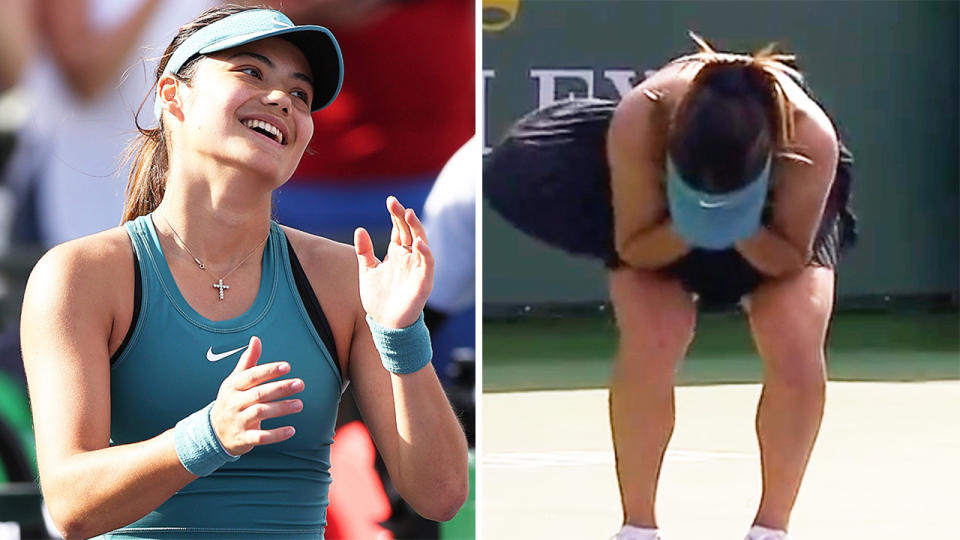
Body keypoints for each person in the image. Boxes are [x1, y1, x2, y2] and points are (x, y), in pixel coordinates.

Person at [20, 6, 468, 539]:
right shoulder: (78, 275)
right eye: (251, 72)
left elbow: (440, 496)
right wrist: (209, 435)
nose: (282, 98)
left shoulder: (345, 279)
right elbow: (71, 506)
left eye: (301, 95)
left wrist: (403, 335)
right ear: (172, 97)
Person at [484, 33, 856, 540]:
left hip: (777, 232)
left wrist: (739, 226)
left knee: (794, 344)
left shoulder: (812, 139)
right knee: (654, 338)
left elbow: (789, 254)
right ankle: (638, 528)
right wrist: (688, 223)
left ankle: (771, 530)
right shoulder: (641, 117)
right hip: (656, 223)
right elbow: (636, 246)